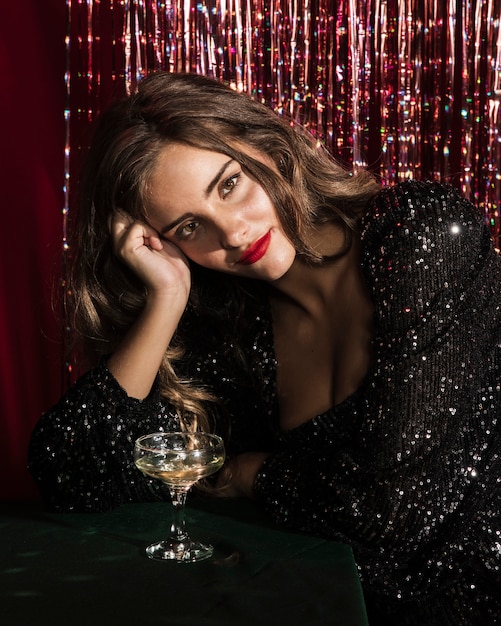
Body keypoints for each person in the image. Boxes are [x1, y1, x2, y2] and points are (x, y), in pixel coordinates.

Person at [28, 71, 501, 624]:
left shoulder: (423, 234)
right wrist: (167, 297)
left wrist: (251, 474)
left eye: (229, 185)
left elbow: (393, 518)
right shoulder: (234, 323)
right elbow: (72, 473)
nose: (230, 233)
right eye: (188, 228)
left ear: (268, 148)